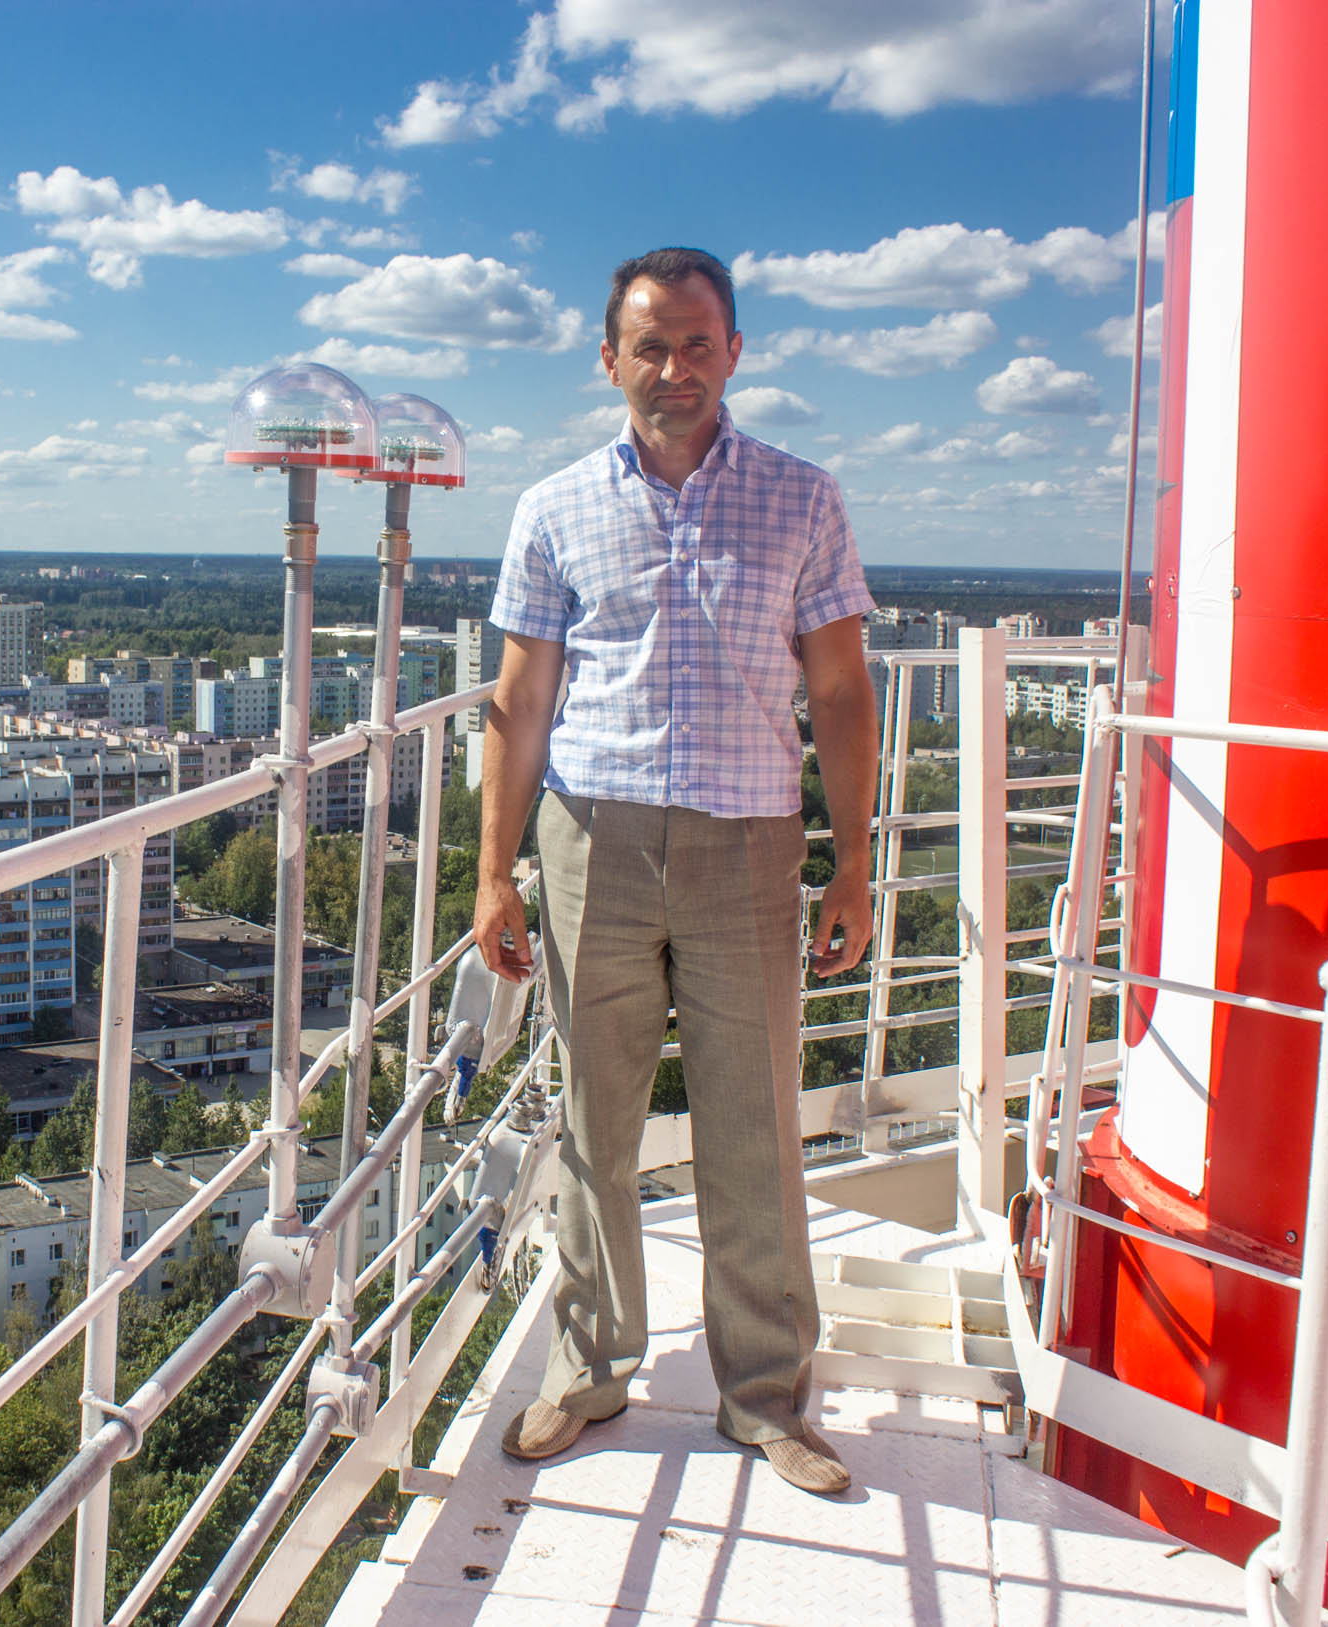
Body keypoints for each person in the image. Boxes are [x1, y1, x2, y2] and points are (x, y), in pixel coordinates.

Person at [472, 246, 878, 1495]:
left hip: (746, 842)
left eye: (698, 343)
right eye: (650, 346)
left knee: (751, 1126)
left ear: (734, 353)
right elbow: (519, 701)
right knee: (596, 1121)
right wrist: (492, 870)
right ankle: (588, 1368)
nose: (674, 368)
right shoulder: (553, 508)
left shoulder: (803, 498)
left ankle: (764, 1399)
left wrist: (854, 862)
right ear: (610, 360)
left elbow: (840, 690)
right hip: (590, 838)